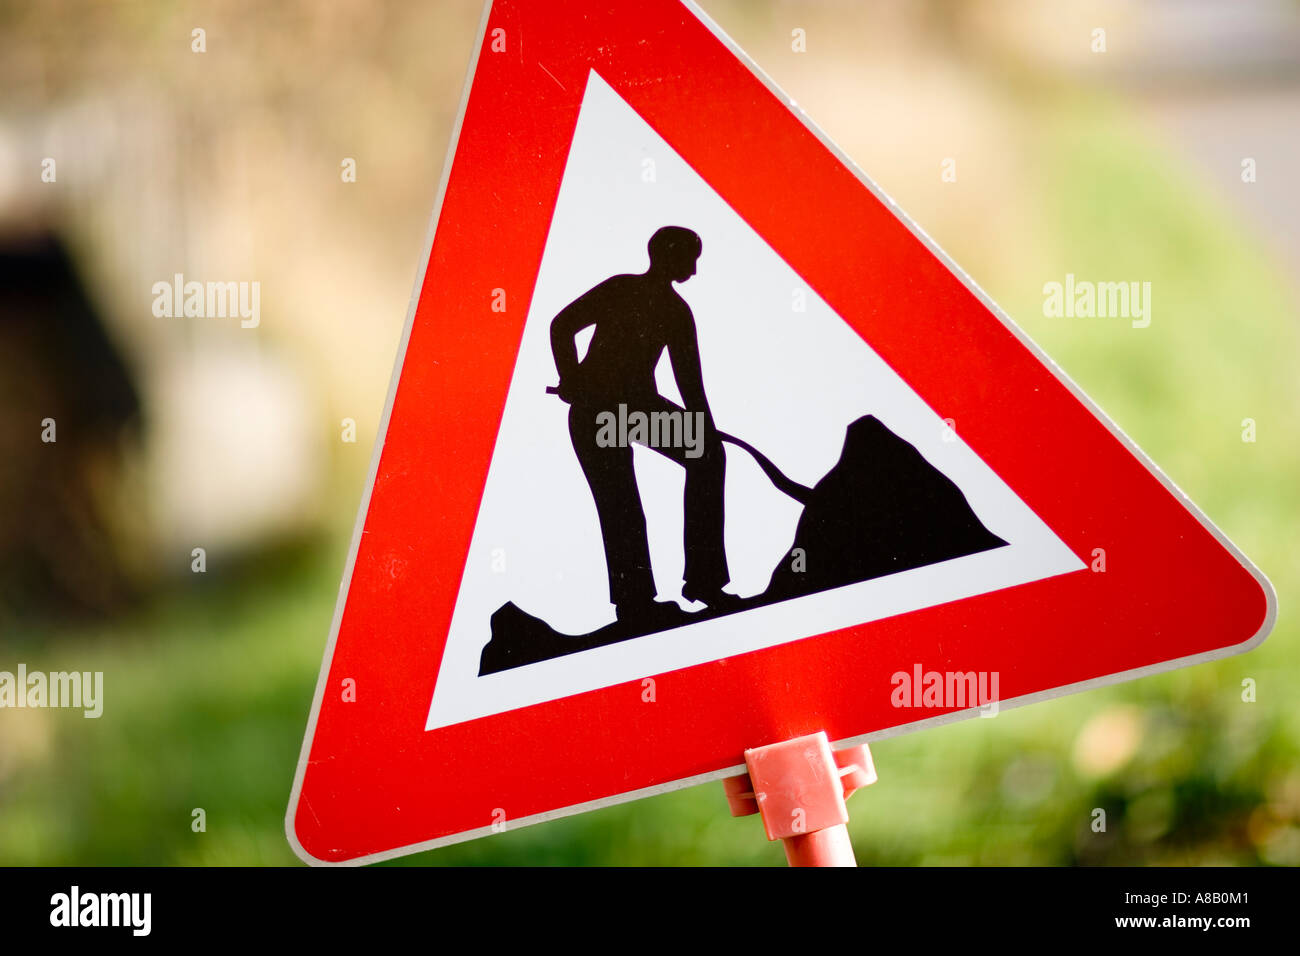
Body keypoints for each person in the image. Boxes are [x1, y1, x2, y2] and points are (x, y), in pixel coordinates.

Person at [550, 226, 739, 623]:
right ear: (668, 256)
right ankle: (635, 603)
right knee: (622, 503)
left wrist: (703, 428)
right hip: (599, 413)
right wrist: (573, 380)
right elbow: (562, 325)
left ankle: (704, 581)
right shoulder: (621, 289)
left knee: (708, 457)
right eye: (690, 259)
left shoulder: (676, 311)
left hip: (637, 410)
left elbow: (690, 383)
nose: (694, 270)